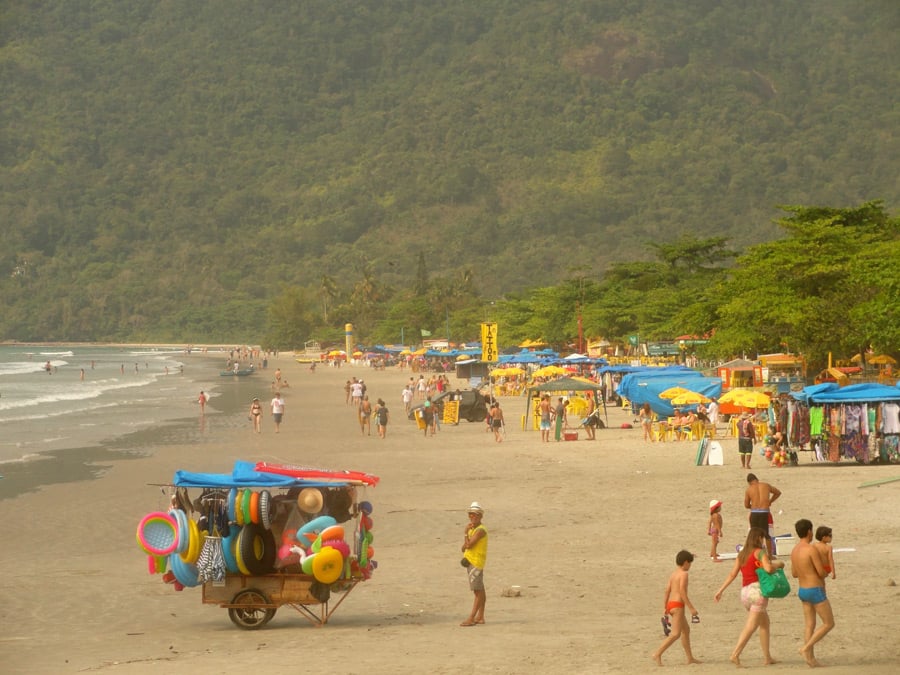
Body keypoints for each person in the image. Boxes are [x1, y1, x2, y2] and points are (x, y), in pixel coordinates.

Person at [713, 527, 784, 667]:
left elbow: (732, 574)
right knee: (751, 626)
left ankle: (767, 657)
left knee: (764, 623)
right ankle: (735, 654)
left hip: (745, 593)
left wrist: (720, 590)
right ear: (758, 538)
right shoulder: (760, 553)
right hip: (757, 592)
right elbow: (769, 568)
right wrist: (779, 565)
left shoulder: (742, 554)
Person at [791, 518, 835, 667]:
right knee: (828, 623)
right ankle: (806, 648)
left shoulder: (795, 550)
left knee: (809, 624)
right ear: (809, 531)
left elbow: (794, 573)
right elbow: (820, 572)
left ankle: (810, 659)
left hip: (802, 589)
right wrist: (827, 572)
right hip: (815, 589)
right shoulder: (810, 549)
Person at [652, 550, 701, 666]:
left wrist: (665, 607)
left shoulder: (673, 574)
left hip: (671, 604)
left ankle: (690, 658)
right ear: (685, 563)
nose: (690, 566)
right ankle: (657, 653)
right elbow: (682, 592)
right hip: (678, 605)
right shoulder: (684, 574)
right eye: (690, 563)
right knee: (675, 634)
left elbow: (667, 590)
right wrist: (691, 608)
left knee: (686, 630)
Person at [460, 501, 488, 627]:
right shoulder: (475, 530)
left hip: (476, 563)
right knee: (480, 589)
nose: (473, 517)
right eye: (471, 515)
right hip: (472, 561)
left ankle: (472, 617)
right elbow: (464, 547)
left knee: (477, 590)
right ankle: (480, 616)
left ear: (481, 516)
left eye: (476, 515)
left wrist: (466, 533)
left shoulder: (480, 530)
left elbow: (469, 545)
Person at [744, 473, 781, 557]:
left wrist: (753, 506)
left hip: (754, 513)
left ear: (749, 482)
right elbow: (778, 492)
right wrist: (770, 501)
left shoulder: (749, 489)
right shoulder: (766, 485)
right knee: (766, 534)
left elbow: (746, 505)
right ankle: (770, 556)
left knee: (754, 534)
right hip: (764, 512)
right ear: (757, 479)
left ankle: (754, 554)